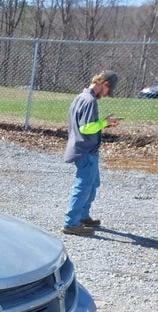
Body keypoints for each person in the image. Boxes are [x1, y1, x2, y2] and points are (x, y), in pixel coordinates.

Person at [63, 71, 120, 236]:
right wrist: (104, 123)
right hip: (85, 151)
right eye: (108, 90)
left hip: (86, 149)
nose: (107, 94)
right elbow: (85, 128)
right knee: (83, 186)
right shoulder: (89, 101)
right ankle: (71, 223)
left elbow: (86, 125)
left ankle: (82, 216)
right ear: (105, 84)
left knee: (92, 184)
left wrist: (104, 124)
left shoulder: (81, 97)